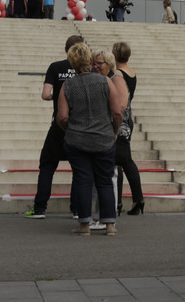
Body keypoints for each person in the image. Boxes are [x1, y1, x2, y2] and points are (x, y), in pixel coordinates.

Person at [57, 42, 123, 236]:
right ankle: (109, 224)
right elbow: (117, 112)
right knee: (105, 181)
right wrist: (114, 131)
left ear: (72, 63)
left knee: (82, 180)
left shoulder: (67, 85)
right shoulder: (106, 82)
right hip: (104, 138)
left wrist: (70, 130)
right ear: (90, 60)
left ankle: (84, 224)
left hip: (77, 140)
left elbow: (62, 117)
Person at [24, 34, 85, 219]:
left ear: (66, 49)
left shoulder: (55, 67)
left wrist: (57, 97)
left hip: (59, 123)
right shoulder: (86, 70)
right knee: (79, 168)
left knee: (48, 165)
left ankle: (39, 208)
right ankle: (77, 209)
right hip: (80, 125)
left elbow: (45, 94)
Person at [112, 41, 144, 216]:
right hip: (128, 119)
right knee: (123, 160)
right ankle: (136, 200)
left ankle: (120, 202)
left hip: (121, 120)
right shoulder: (132, 73)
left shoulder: (118, 74)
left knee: (121, 161)